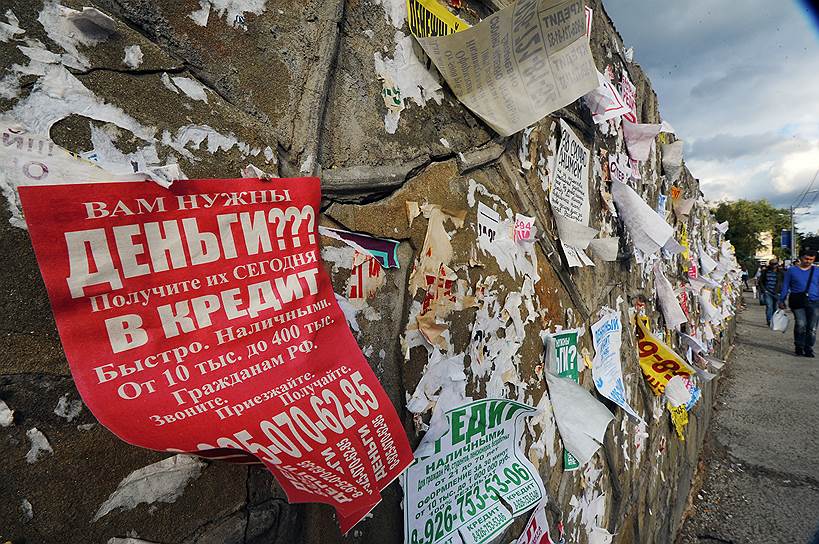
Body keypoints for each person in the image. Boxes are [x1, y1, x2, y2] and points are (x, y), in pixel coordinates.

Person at [779, 249, 819, 357]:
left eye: (811, 259)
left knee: (812, 327)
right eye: (806, 258)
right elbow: (786, 286)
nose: (808, 261)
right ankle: (799, 346)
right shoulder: (791, 271)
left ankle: (809, 348)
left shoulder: (817, 271)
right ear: (801, 258)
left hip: (815, 302)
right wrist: (781, 299)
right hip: (798, 301)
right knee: (801, 324)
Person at [759, 259, 783, 326]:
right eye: (772, 264)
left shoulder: (781, 272)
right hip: (768, 292)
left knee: (775, 307)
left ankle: (774, 321)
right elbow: (761, 281)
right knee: (769, 306)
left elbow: (783, 282)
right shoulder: (765, 272)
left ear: (777, 264)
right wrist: (764, 290)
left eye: (775, 264)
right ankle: (769, 321)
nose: (773, 266)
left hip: (777, 292)